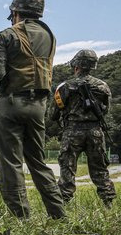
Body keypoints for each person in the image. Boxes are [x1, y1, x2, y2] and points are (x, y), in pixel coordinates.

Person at [0, 0, 64, 219]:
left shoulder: (6, 35)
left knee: (11, 164)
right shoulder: (50, 36)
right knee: (38, 162)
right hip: (39, 106)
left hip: (11, 103)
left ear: (15, 12)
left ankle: (22, 218)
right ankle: (58, 214)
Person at [50, 49, 116, 208]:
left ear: (76, 65)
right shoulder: (103, 87)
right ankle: (109, 205)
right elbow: (106, 110)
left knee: (67, 170)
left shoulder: (65, 87)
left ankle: (63, 208)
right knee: (100, 170)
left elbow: (53, 113)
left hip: (72, 132)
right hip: (95, 132)